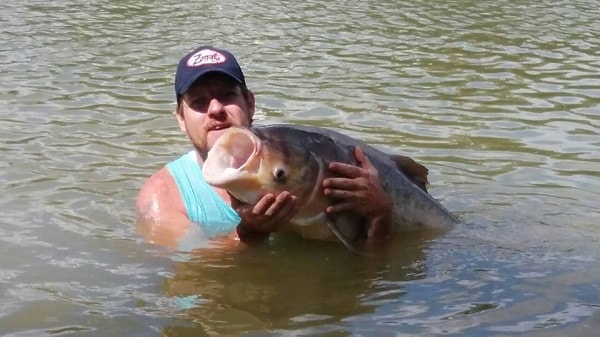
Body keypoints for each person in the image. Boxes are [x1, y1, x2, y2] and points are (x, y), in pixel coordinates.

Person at [135, 45, 392, 249]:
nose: (215, 110)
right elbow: (198, 270)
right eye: (198, 102)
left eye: (226, 95)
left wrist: (380, 212)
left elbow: (373, 267)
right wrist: (249, 233)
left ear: (250, 103)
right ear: (180, 118)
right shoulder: (163, 196)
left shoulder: (294, 162)